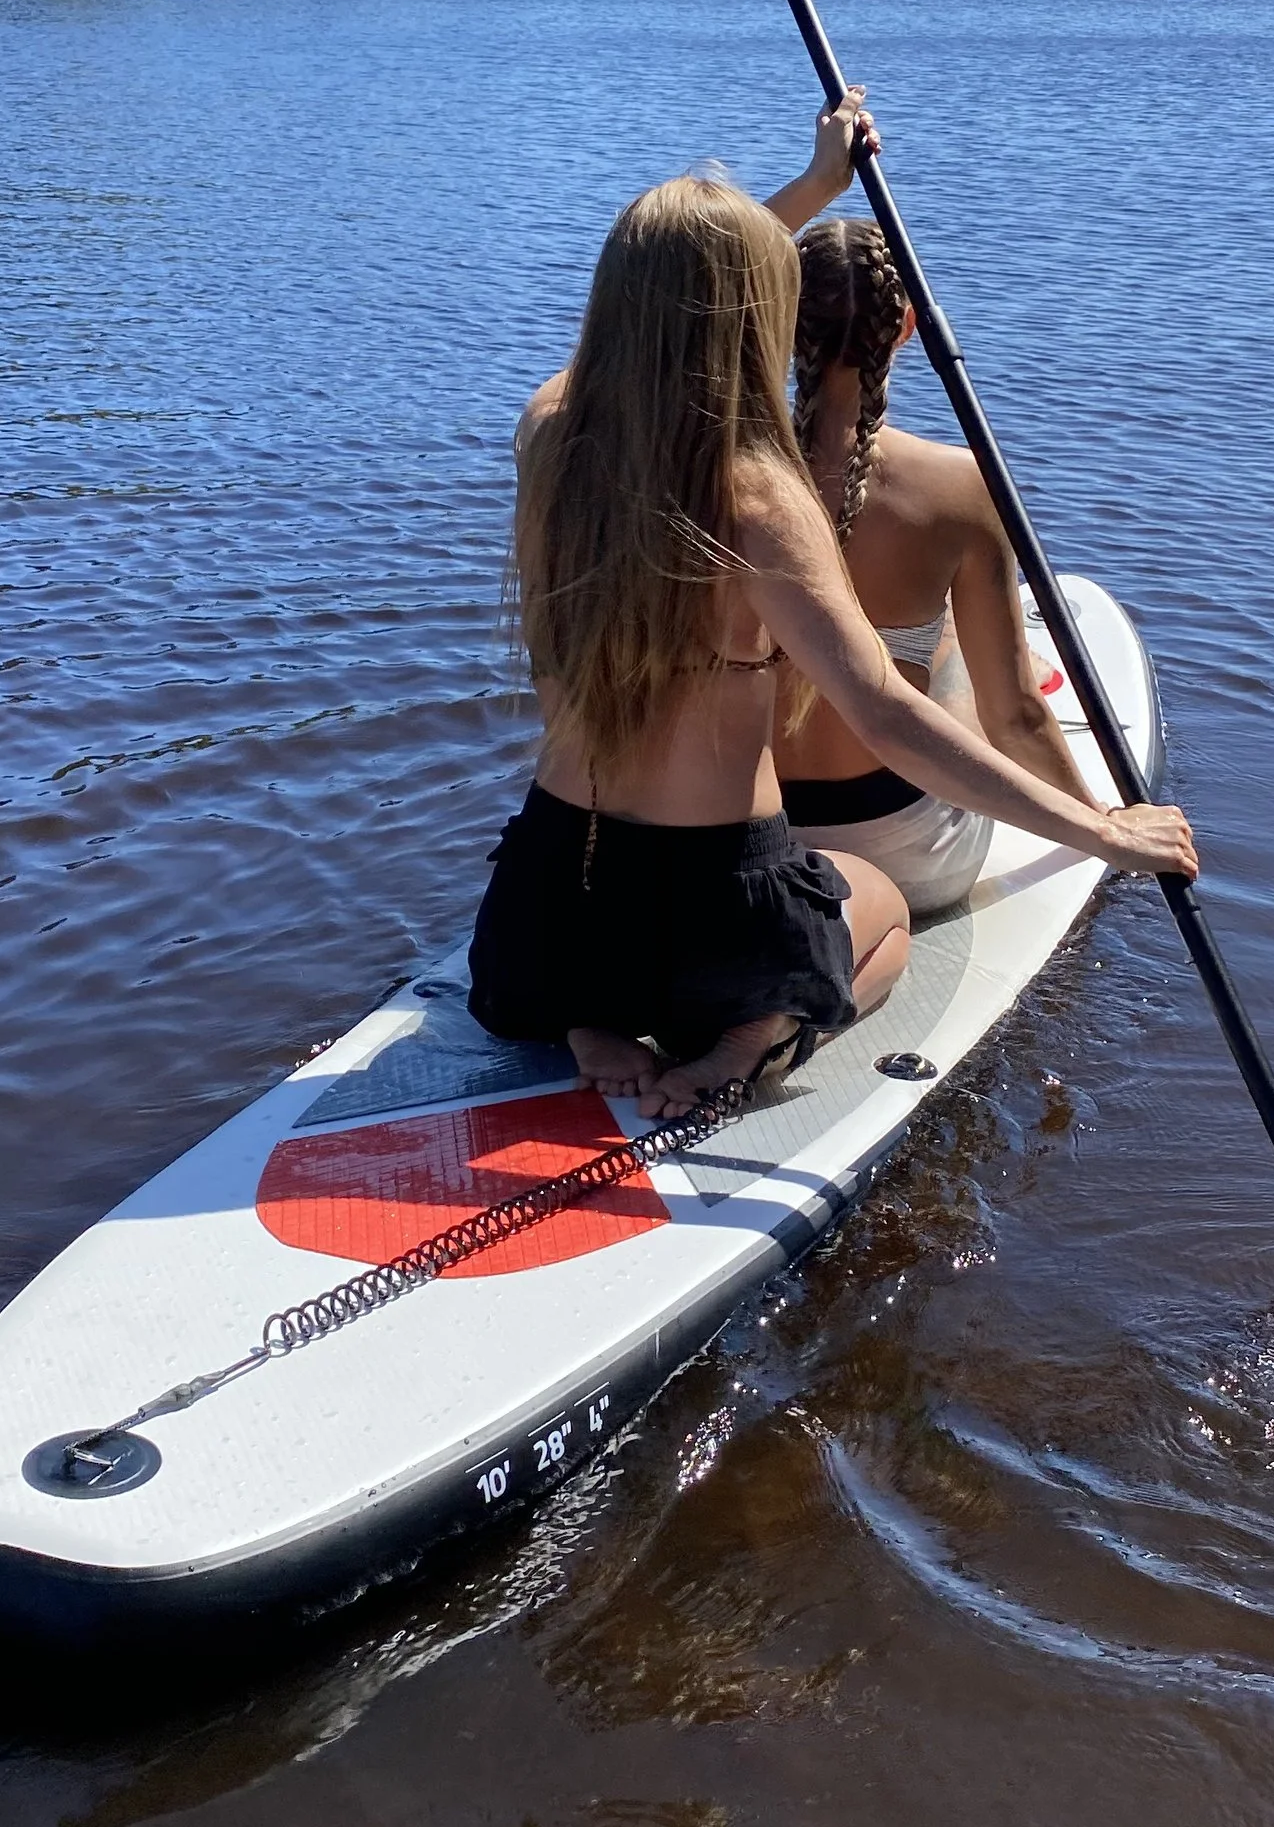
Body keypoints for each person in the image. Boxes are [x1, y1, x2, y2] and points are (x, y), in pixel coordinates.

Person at [465, 122, 1198, 1120]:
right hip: (713, 921)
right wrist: (1103, 833)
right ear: (755, 314)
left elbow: (655, 316)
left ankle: (589, 1022)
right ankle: (738, 1050)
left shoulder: (549, 435)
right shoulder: (758, 502)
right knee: (879, 909)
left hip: (543, 909)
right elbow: (890, 717)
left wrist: (810, 189)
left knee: (593, 939)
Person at [774, 215, 1096, 913]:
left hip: (760, 838)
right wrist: (1102, 824)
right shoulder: (959, 486)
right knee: (945, 635)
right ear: (907, 326)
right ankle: (998, 643)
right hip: (907, 854)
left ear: (782, 322)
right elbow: (1012, 717)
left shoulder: (729, 474)